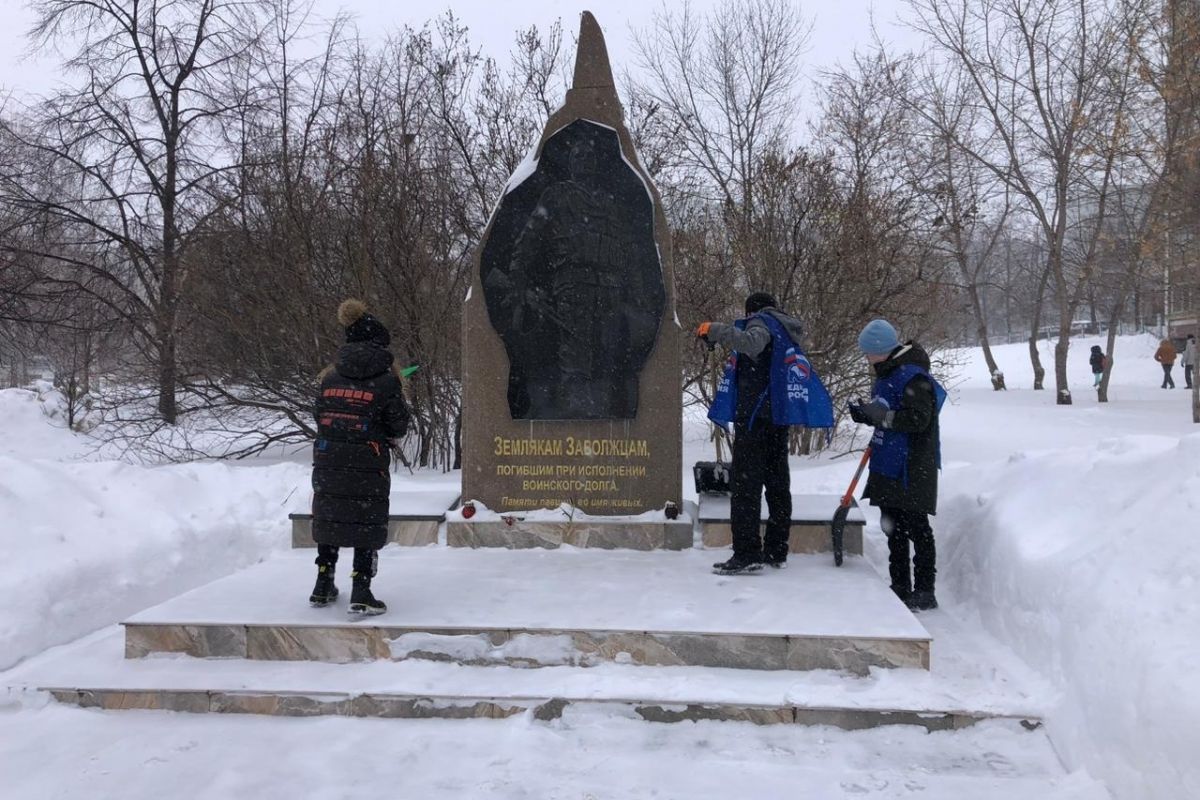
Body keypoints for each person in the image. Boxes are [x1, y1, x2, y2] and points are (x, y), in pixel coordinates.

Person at [309, 299, 410, 616]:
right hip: (368, 459)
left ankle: (323, 583)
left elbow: (319, 414)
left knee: (331, 514)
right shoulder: (387, 380)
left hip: (329, 458)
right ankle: (361, 587)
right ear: (382, 345)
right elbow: (399, 424)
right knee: (365, 518)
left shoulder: (329, 378)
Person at [696, 292, 809, 575]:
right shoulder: (784, 328)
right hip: (777, 418)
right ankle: (776, 549)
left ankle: (747, 552)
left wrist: (718, 330)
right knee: (777, 485)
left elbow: (751, 343)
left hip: (755, 419)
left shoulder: (761, 322)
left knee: (746, 487)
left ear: (752, 311)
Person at [848, 320, 945, 612]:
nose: (866, 359)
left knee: (917, 528)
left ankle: (925, 591)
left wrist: (883, 417)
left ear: (882, 350)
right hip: (889, 463)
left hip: (912, 466)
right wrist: (866, 415)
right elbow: (885, 411)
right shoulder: (888, 374)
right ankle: (900, 585)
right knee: (893, 528)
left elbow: (919, 420)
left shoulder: (914, 377)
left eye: (869, 353)